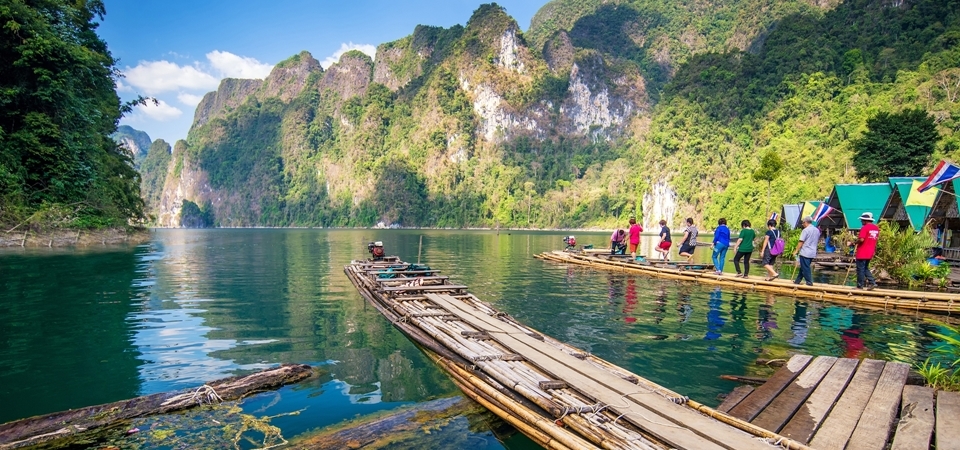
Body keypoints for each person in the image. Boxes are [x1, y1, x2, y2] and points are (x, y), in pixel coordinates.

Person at [847, 212, 879, 290]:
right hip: (870, 251)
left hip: (862, 252)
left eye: (862, 220)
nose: (861, 222)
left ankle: (859, 286)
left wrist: (853, 243)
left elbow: (861, 239)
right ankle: (872, 282)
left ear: (865, 220)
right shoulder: (876, 228)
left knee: (860, 269)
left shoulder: (865, 228)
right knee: (865, 268)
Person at [792, 216, 821, 286]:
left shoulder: (805, 230)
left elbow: (801, 241)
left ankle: (809, 282)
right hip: (812, 252)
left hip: (805, 252)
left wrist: (796, 251)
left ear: (805, 222)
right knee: (803, 267)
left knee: (805, 268)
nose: (802, 224)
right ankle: (797, 281)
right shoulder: (817, 230)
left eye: (803, 223)